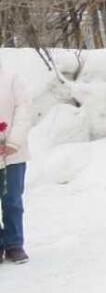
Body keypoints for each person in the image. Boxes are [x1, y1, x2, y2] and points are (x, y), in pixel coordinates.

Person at [0, 63, 32, 265]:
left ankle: (14, 244)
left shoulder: (12, 79)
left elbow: (24, 111)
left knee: (12, 200)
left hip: (12, 153)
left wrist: (13, 142)